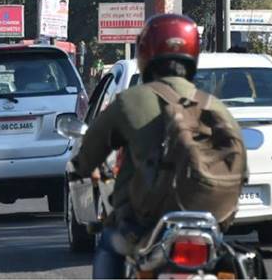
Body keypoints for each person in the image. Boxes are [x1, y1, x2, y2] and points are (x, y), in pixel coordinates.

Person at [70, 14, 244, 280]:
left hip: (143, 223)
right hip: (211, 221)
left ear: (145, 52)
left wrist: (80, 167)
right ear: (193, 54)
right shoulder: (214, 105)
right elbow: (242, 168)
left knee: (108, 245)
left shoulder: (130, 101)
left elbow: (88, 156)